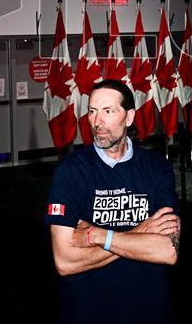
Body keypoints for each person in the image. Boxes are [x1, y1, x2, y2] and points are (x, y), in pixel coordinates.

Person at [44, 79, 180, 324]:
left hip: (147, 310)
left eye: (108, 111)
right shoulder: (70, 172)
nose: (97, 122)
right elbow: (64, 261)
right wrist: (140, 232)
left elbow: (168, 250)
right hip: (87, 311)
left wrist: (96, 234)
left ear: (129, 117)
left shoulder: (157, 168)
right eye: (93, 111)